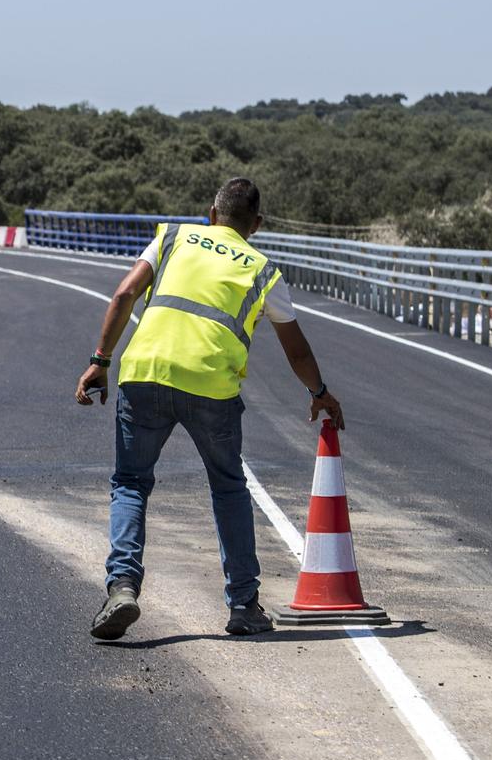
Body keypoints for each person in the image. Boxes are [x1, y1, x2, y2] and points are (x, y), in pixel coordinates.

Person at [74, 177, 344, 640]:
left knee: (131, 484)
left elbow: (123, 296)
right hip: (211, 387)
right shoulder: (263, 269)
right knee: (228, 489)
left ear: (211, 212)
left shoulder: (174, 236)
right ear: (256, 225)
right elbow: (295, 349)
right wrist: (319, 391)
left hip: (144, 374)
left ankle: (122, 586)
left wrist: (100, 361)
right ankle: (243, 604)